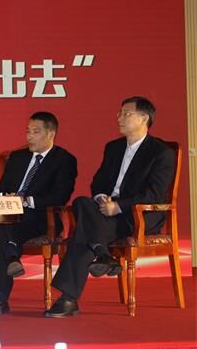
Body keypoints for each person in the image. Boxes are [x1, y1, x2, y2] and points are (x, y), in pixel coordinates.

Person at [45, 96, 175, 318]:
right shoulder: (113, 147)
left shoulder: (161, 152)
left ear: (144, 118)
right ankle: (102, 254)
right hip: (105, 212)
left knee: (84, 231)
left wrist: (119, 206)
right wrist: (101, 198)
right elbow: (98, 182)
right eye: (119, 113)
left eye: (126, 114)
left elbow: (154, 194)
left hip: (137, 215)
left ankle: (69, 297)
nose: (119, 118)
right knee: (81, 203)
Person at [0, 112, 77, 316]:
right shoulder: (17, 158)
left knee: (6, 230)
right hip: (10, 214)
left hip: (41, 217)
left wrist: (27, 201)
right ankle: (11, 256)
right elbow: (0, 189)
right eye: (27, 131)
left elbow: (60, 196)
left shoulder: (64, 160)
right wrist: (7, 198)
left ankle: (0, 295)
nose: (29, 136)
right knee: (5, 220)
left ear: (50, 134)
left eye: (35, 132)